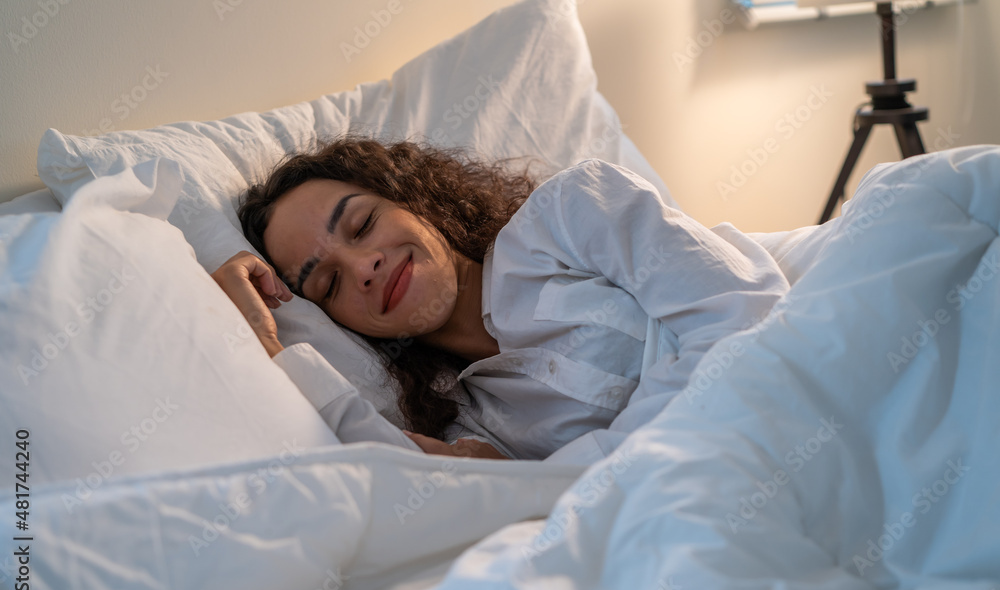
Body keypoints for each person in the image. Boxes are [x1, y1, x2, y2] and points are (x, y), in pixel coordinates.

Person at [211, 137, 789, 464]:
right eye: (327, 285)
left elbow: (747, 314)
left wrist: (587, 464)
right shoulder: (465, 422)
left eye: (362, 225)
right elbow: (378, 471)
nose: (364, 269)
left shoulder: (569, 214)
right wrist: (261, 341)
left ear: (413, 199)